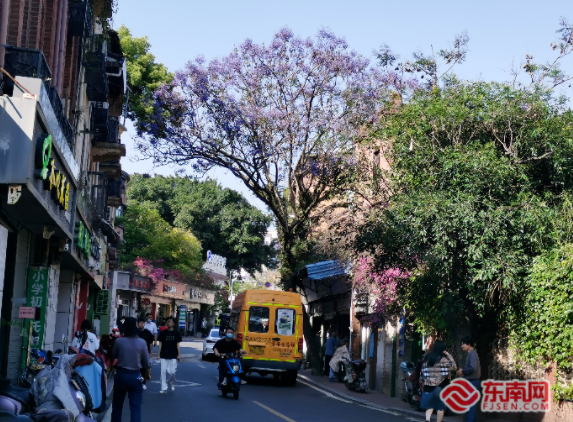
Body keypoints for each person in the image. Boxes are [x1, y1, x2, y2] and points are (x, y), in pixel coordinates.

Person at [111, 317, 150, 422]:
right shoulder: (142, 342)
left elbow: (114, 355)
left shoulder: (119, 341)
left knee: (117, 406)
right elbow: (147, 363)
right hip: (136, 376)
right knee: (135, 408)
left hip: (121, 375)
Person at [420, 341, 457, 422]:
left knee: (430, 404)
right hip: (440, 386)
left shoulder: (427, 358)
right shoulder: (443, 359)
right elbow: (454, 367)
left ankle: (427, 419)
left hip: (428, 386)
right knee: (440, 406)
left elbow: (423, 371)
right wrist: (448, 354)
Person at [456, 336, 481, 422]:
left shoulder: (472, 354)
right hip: (471, 382)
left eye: (463, 344)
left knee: (470, 407)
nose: (462, 346)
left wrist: (463, 371)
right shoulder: (471, 354)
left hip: (472, 382)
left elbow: (473, 368)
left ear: (469, 344)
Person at [157, 317, 182, 393]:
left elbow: (178, 345)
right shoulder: (163, 333)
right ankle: (164, 388)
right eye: (168, 321)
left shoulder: (176, 333)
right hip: (164, 355)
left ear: (173, 323)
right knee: (163, 372)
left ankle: (170, 382)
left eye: (170, 321)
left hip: (173, 355)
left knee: (172, 372)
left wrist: (179, 355)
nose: (169, 323)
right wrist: (158, 355)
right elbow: (160, 344)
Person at [137, 318, 154, 389]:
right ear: (138, 324)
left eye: (143, 323)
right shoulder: (136, 332)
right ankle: (137, 382)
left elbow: (150, 343)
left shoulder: (148, 332)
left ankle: (143, 382)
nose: (141, 324)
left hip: (145, 353)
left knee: (144, 368)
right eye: (140, 323)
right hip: (136, 353)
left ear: (144, 324)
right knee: (137, 367)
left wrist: (151, 352)